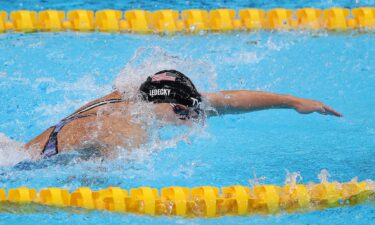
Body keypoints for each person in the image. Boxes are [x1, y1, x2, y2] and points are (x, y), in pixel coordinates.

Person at [25, 70, 342, 159]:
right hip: (24, 167)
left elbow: (229, 101)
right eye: (186, 113)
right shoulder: (128, 131)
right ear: (175, 105)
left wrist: (293, 101)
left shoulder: (135, 93)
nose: (191, 118)